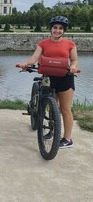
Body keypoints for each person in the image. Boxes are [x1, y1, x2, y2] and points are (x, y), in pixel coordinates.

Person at [17, 15, 78, 148]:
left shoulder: (70, 44)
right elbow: (34, 58)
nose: (57, 30)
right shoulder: (43, 43)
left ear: (64, 30)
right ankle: (51, 131)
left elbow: (74, 60)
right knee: (51, 106)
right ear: (50, 29)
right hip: (48, 78)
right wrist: (26, 64)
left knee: (65, 109)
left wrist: (73, 67)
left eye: (61, 28)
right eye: (55, 28)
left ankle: (67, 139)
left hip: (65, 78)